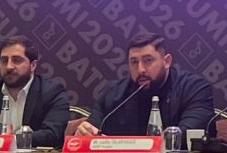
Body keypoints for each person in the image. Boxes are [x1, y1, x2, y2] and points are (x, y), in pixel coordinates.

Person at [76, 34, 213, 136]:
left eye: (148, 60)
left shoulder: (194, 88)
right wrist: (83, 135)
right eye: (134, 62)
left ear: (167, 62)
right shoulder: (113, 93)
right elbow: (91, 131)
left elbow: (189, 134)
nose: (141, 69)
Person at [0, 36, 70, 148]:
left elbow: (53, 135)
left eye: (17, 60)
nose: (9, 67)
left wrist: (8, 139)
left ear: (33, 65)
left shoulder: (51, 92)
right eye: (4, 60)